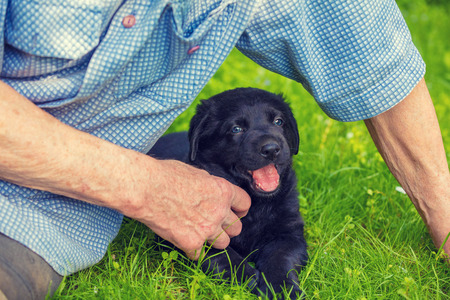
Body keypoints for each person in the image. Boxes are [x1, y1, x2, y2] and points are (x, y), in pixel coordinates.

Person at [0, 0, 448, 299]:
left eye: (277, 125)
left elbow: (378, 60)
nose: (269, 140)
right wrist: (148, 187)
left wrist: (446, 220)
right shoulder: (192, 154)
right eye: (238, 129)